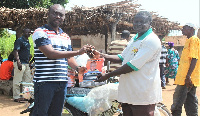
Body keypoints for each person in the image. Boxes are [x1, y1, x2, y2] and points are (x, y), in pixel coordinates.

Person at [96, 11, 162, 116]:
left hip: (142, 92)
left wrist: (108, 75)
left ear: (150, 23)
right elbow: (122, 57)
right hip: (129, 91)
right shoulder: (135, 38)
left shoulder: (151, 40)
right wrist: (101, 55)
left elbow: (132, 66)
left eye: (142, 21)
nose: (138, 24)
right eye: (136, 21)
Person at [32, 4, 92, 116]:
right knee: (40, 113)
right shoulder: (40, 32)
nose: (58, 17)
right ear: (48, 15)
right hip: (45, 82)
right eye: (55, 13)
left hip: (62, 82)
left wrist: (78, 68)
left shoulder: (65, 36)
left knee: (56, 113)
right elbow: (50, 53)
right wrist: (78, 52)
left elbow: (68, 57)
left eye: (61, 15)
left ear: (64, 18)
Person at [171, 23, 200, 116]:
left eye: (184, 28)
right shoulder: (189, 40)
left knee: (177, 104)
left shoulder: (194, 40)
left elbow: (194, 58)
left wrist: (188, 76)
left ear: (191, 29)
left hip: (186, 79)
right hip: (186, 77)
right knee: (190, 102)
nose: (182, 30)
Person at [13, 28, 32, 102]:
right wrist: (18, 62)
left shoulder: (27, 41)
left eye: (29, 32)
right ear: (23, 32)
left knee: (27, 81)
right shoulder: (20, 40)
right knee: (18, 80)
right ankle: (16, 97)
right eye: (27, 32)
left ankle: (25, 96)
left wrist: (29, 61)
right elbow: (15, 51)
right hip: (20, 63)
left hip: (26, 63)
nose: (28, 33)